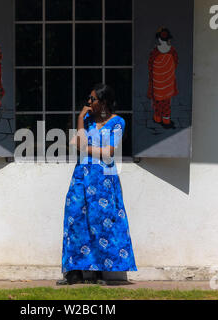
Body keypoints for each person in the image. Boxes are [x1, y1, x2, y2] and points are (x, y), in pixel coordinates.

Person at [57, 84, 137, 285]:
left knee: (101, 221)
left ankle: (99, 270)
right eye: (89, 99)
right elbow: (77, 144)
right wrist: (79, 119)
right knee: (76, 220)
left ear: (104, 102)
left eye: (93, 99)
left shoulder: (117, 122)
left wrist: (86, 147)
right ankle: (74, 272)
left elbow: (109, 152)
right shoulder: (87, 120)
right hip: (82, 175)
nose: (89, 103)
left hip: (103, 179)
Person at [147, 27, 179, 128]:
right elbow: (176, 62)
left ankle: (157, 118)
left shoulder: (155, 52)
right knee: (166, 103)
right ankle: (166, 120)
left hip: (157, 82)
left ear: (159, 39)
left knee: (157, 102)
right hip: (168, 82)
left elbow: (150, 65)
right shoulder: (172, 51)